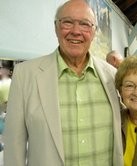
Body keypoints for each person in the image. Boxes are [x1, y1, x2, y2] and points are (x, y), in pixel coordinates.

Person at [3, 0, 123, 166]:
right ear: (56, 27)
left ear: (93, 32)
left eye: (84, 24)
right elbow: (14, 145)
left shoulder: (112, 76)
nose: (76, 31)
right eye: (67, 22)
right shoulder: (25, 75)